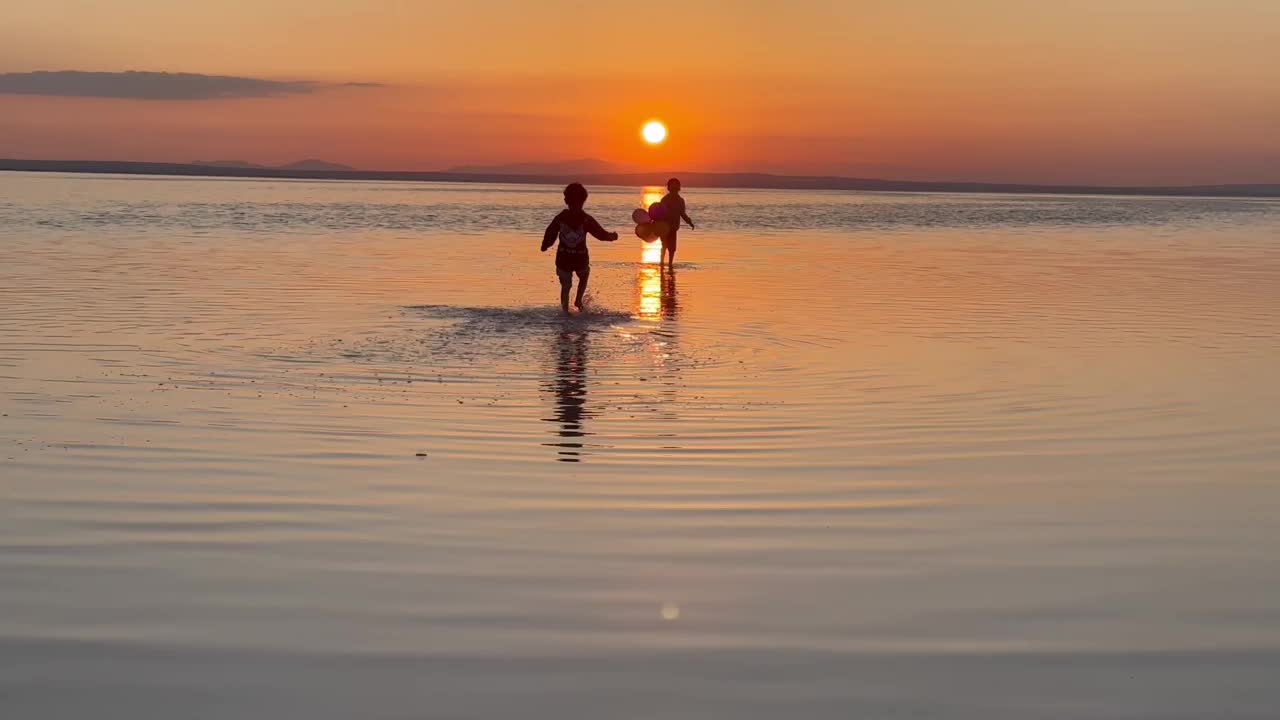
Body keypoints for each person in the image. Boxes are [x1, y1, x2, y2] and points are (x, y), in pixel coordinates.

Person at [542, 183, 618, 313]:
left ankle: (565, 311)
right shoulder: (586, 219)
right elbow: (600, 234)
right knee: (583, 276)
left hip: (563, 258)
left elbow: (550, 233)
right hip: (580, 257)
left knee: (566, 285)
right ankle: (578, 300)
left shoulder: (561, 217)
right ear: (583, 201)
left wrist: (545, 245)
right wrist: (612, 237)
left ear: (567, 200)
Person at [659, 178, 695, 267]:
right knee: (664, 246)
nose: (674, 187)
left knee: (672, 249)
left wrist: (689, 222)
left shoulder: (680, 201)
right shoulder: (665, 199)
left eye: (676, 185)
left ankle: (670, 264)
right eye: (672, 185)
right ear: (668, 188)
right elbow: (659, 213)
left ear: (679, 188)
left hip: (674, 228)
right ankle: (662, 263)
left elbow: (682, 214)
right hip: (664, 228)